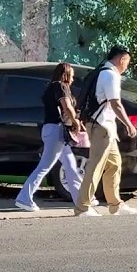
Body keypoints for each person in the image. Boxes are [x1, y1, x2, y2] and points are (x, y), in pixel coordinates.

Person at [74, 45, 137, 217]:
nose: (126, 67)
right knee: (95, 166)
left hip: (105, 127)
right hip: (101, 126)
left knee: (114, 165)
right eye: (127, 62)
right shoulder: (110, 75)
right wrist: (128, 124)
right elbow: (115, 103)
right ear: (121, 59)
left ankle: (115, 204)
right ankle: (83, 207)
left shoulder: (103, 71)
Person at [15, 62, 85, 212]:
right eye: (71, 76)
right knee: (45, 166)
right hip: (56, 130)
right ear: (65, 74)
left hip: (53, 130)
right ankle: (24, 197)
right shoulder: (60, 86)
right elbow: (67, 106)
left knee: (70, 165)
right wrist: (76, 122)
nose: (72, 79)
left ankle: (82, 199)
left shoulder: (53, 87)